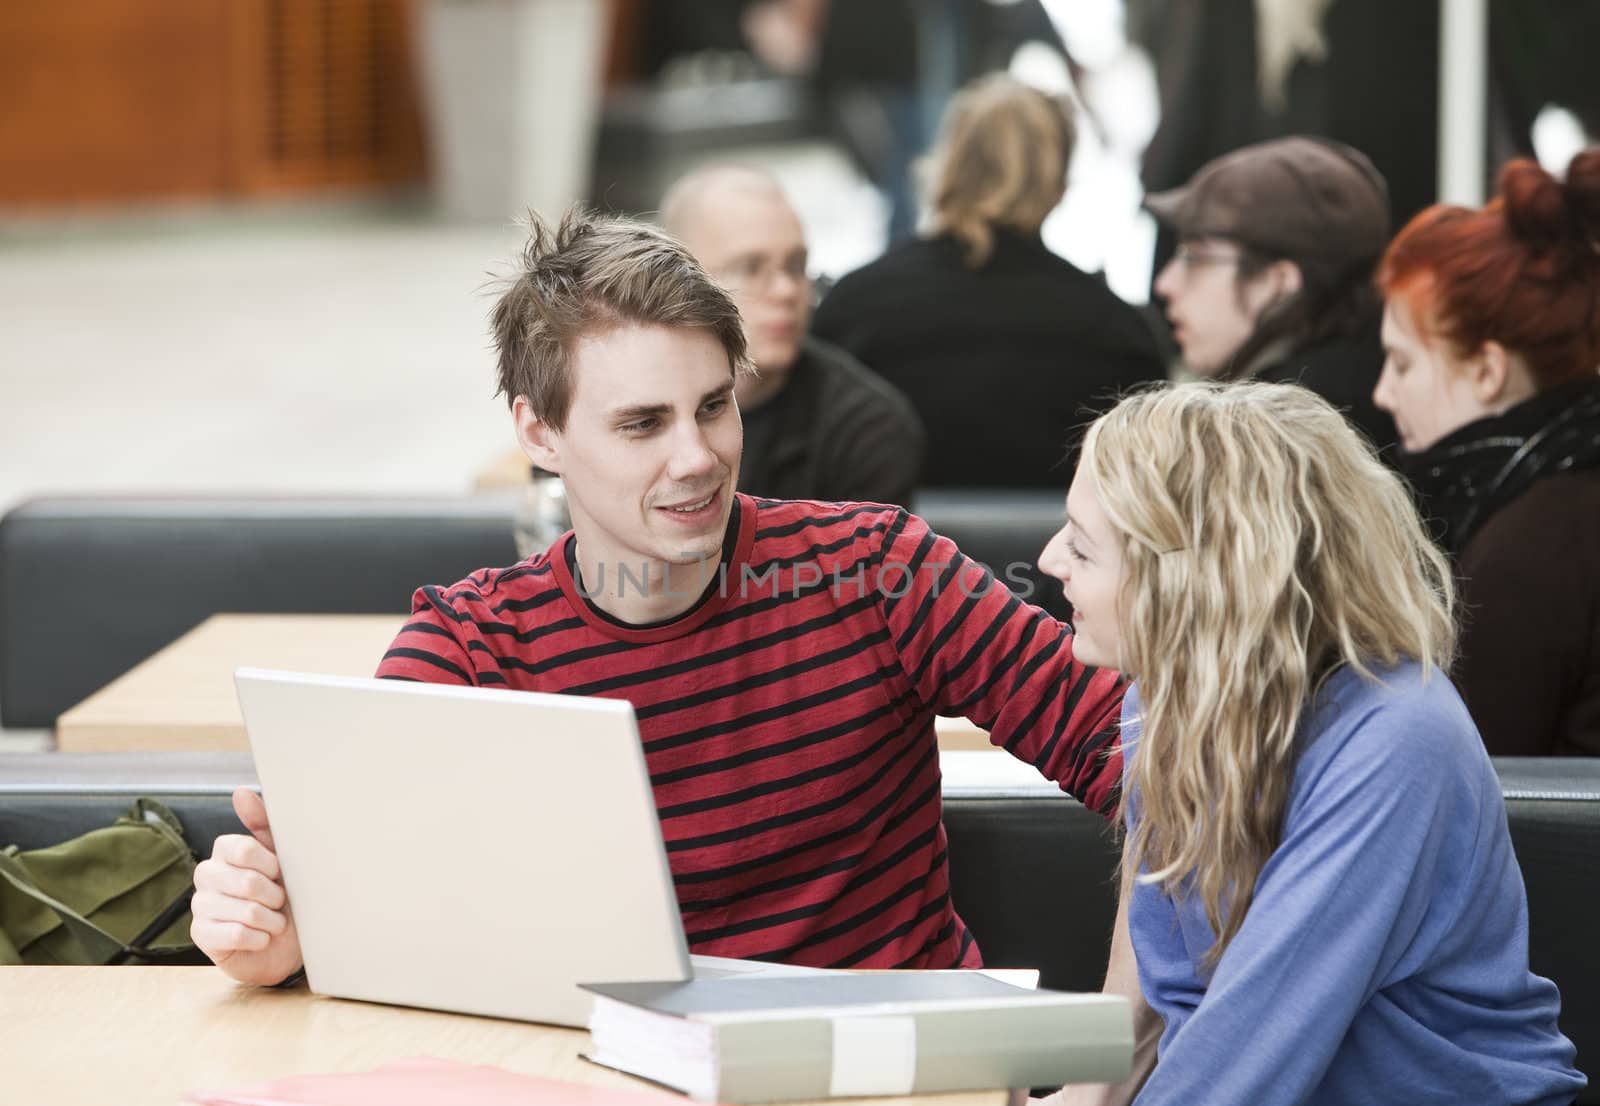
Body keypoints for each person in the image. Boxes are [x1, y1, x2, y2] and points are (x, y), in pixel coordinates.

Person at [189, 209, 1126, 988]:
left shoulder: (878, 571)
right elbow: (366, 907)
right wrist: (283, 936)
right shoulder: (472, 648)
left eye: (714, 407)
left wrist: (1124, 1051)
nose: (697, 458)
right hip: (616, 1096)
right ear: (539, 430)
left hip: (897, 1087)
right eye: (642, 423)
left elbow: (1166, 765)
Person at [1021, 382, 1585, 1106]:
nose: (1049, 558)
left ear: (1195, 584)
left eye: (1083, 546)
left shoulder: (1395, 737)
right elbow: (1169, 962)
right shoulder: (1170, 689)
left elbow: (1251, 1046)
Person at [812, 74, 1166, 489]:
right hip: (1055, 550)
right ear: (1058, 184)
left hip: (889, 550)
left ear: (947, 164)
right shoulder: (1114, 327)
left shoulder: (854, 306)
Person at [1372, 147, 1600, 757]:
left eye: (1403, 362)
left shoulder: (1525, 547)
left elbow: (1461, 782)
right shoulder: (1551, 496)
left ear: (1487, 370)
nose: (1382, 392)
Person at [659, 164, 925, 508]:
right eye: (751, 268)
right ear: (678, 281)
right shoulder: (623, 404)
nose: (786, 290)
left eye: (796, 267)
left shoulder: (866, 428)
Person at [1146, 135, 1398, 454]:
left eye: (1195, 258)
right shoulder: (1371, 380)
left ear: (1278, 281)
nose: (1165, 284)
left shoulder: (1285, 431)